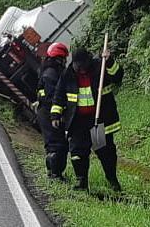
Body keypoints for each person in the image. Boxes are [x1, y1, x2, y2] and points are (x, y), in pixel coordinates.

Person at [50, 47, 124, 192]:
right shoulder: (68, 74)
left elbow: (118, 76)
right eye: (79, 68)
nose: (82, 70)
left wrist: (109, 61)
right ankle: (81, 181)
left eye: (84, 67)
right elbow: (59, 95)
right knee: (77, 152)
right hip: (77, 122)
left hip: (97, 120)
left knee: (105, 151)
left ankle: (112, 180)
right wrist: (55, 114)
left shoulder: (99, 67)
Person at [36, 42, 70, 180]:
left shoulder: (49, 71)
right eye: (64, 59)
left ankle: (54, 172)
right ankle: (54, 175)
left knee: (55, 144)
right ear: (59, 58)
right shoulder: (51, 74)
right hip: (48, 113)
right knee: (56, 145)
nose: (65, 62)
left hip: (47, 112)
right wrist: (58, 114)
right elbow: (53, 97)